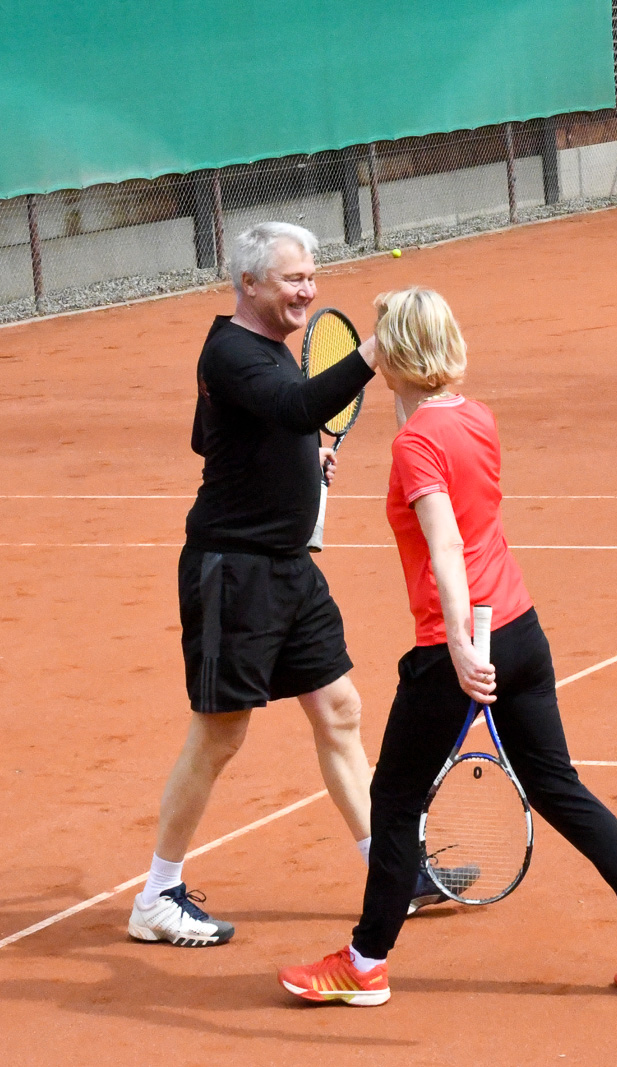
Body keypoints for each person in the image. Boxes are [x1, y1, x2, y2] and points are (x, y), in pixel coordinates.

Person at [278, 287, 617, 1003]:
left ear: (397, 356)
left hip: (458, 646)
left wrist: (460, 649)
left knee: (395, 795)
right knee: (557, 785)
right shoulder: (478, 418)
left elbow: (445, 544)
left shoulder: (414, 446)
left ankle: (365, 962)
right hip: (521, 629)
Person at [127, 222, 379, 947]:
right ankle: (157, 894)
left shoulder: (260, 355)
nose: (310, 289)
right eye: (295, 278)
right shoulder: (232, 350)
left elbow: (214, 439)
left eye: (312, 275)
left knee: (339, 709)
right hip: (233, 571)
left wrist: (298, 463)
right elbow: (298, 409)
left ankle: (385, 868)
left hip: (290, 567)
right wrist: (370, 354)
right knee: (220, 731)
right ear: (250, 285)